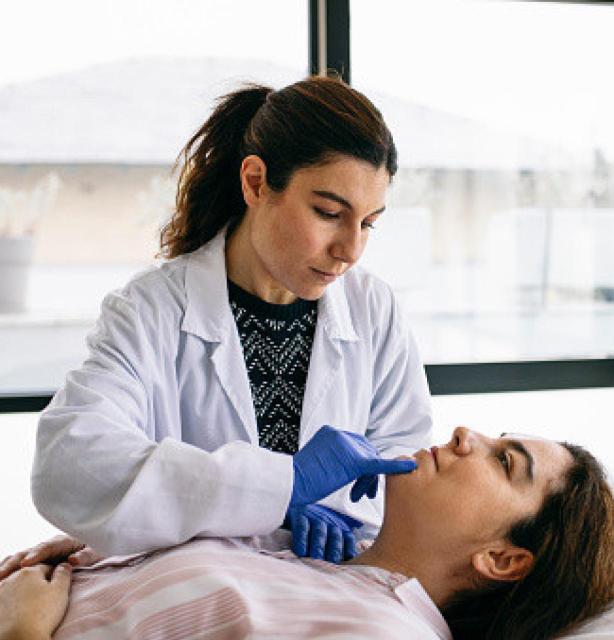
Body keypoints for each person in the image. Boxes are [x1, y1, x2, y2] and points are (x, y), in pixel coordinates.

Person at [25, 75, 433, 563]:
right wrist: (281, 493)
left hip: (331, 594)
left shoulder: (375, 312)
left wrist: (349, 516)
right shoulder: (151, 310)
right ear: (256, 182)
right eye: (328, 212)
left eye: (368, 224)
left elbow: (405, 474)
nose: (350, 251)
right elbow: (68, 464)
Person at [0, 427, 614, 640]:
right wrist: (102, 555)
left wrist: (24, 631)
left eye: (505, 462)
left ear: (503, 559)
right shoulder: (314, 556)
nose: (465, 434)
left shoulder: (383, 634)